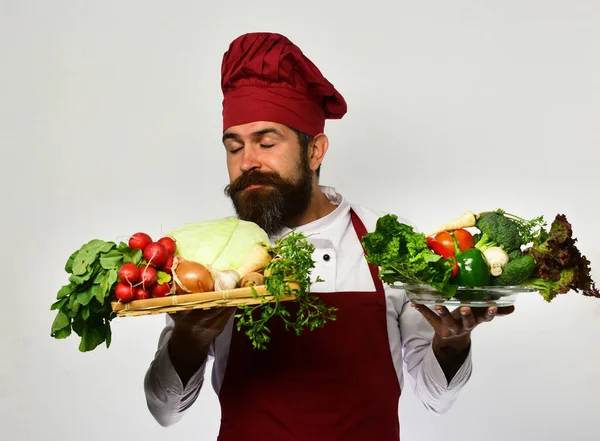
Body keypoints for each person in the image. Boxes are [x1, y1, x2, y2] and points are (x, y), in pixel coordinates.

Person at [143, 32, 515, 441]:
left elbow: (435, 398)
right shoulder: (217, 258)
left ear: (315, 151)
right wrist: (188, 340)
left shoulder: (385, 244)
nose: (247, 162)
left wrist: (451, 345)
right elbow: (165, 411)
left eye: (267, 142)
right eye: (234, 147)